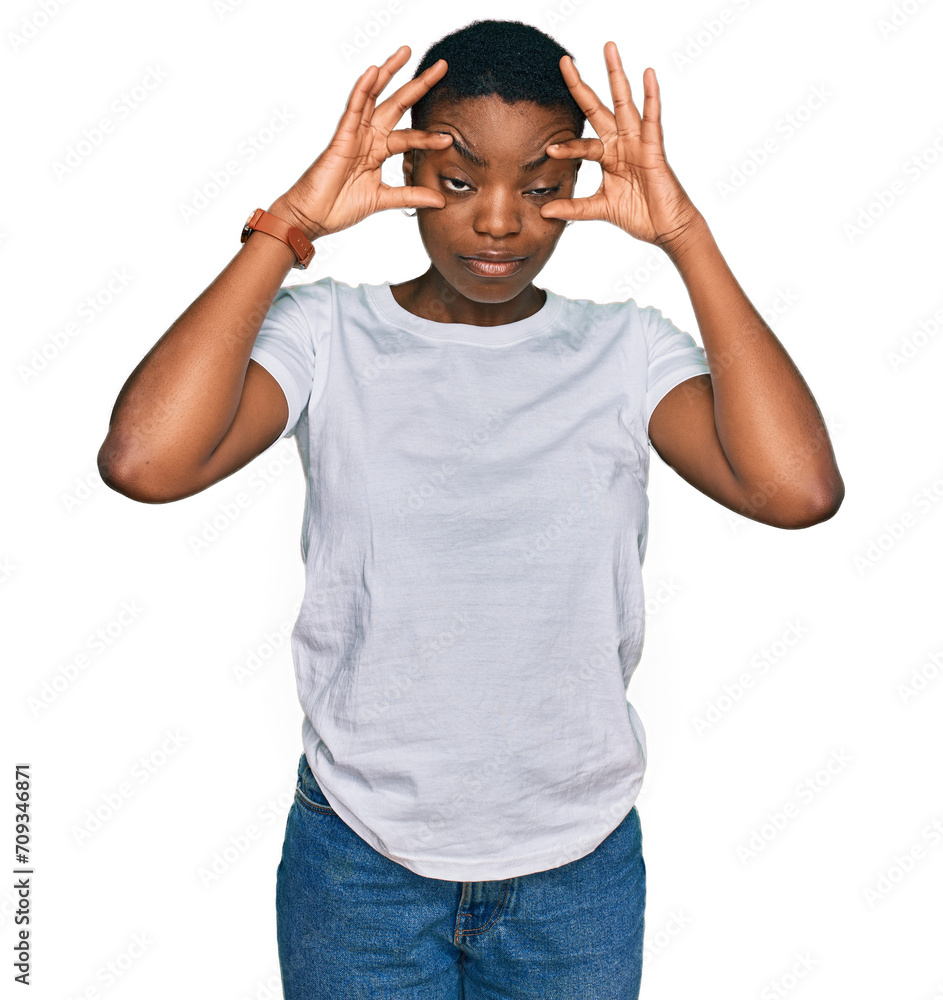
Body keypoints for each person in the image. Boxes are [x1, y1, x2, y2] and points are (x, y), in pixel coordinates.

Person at [97, 18, 844, 1000]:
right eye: (457, 181)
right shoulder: (330, 332)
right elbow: (145, 459)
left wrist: (683, 236)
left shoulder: (624, 350)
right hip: (357, 860)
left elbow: (797, 489)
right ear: (404, 163)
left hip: (574, 865)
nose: (499, 219)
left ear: (577, 186)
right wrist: (292, 223)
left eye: (539, 187)